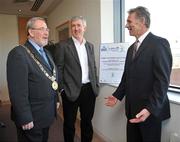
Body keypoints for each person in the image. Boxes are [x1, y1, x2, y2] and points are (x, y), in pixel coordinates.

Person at [105, 6, 172, 142]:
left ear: (142, 21)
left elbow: (162, 82)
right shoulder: (131, 49)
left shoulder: (159, 44)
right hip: (132, 110)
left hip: (150, 112)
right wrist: (117, 95)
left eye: (129, 22)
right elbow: (127, 78)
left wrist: (149, 109)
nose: (126, 25)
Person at [7, 17, 59, 142]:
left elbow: (52, 78)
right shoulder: (18, 53)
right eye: (42, 29)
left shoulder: (47, 53)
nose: (46, 32)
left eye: (47, 29)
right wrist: (25, 117)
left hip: (46, 114)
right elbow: (17, 91)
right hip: (32, 118)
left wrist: (55, 99)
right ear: (30, 32)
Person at [54, 16, 99, 142]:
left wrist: (96, 87)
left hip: (89, 90)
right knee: (69, 124)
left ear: (84, 28)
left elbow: (93, 67)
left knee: (87, 122)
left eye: (79, 25)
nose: (76, 28)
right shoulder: (62, 46)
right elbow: (58, 69)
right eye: (73, 26)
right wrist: (62, 89)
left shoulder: (90, 46)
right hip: (70, 91)